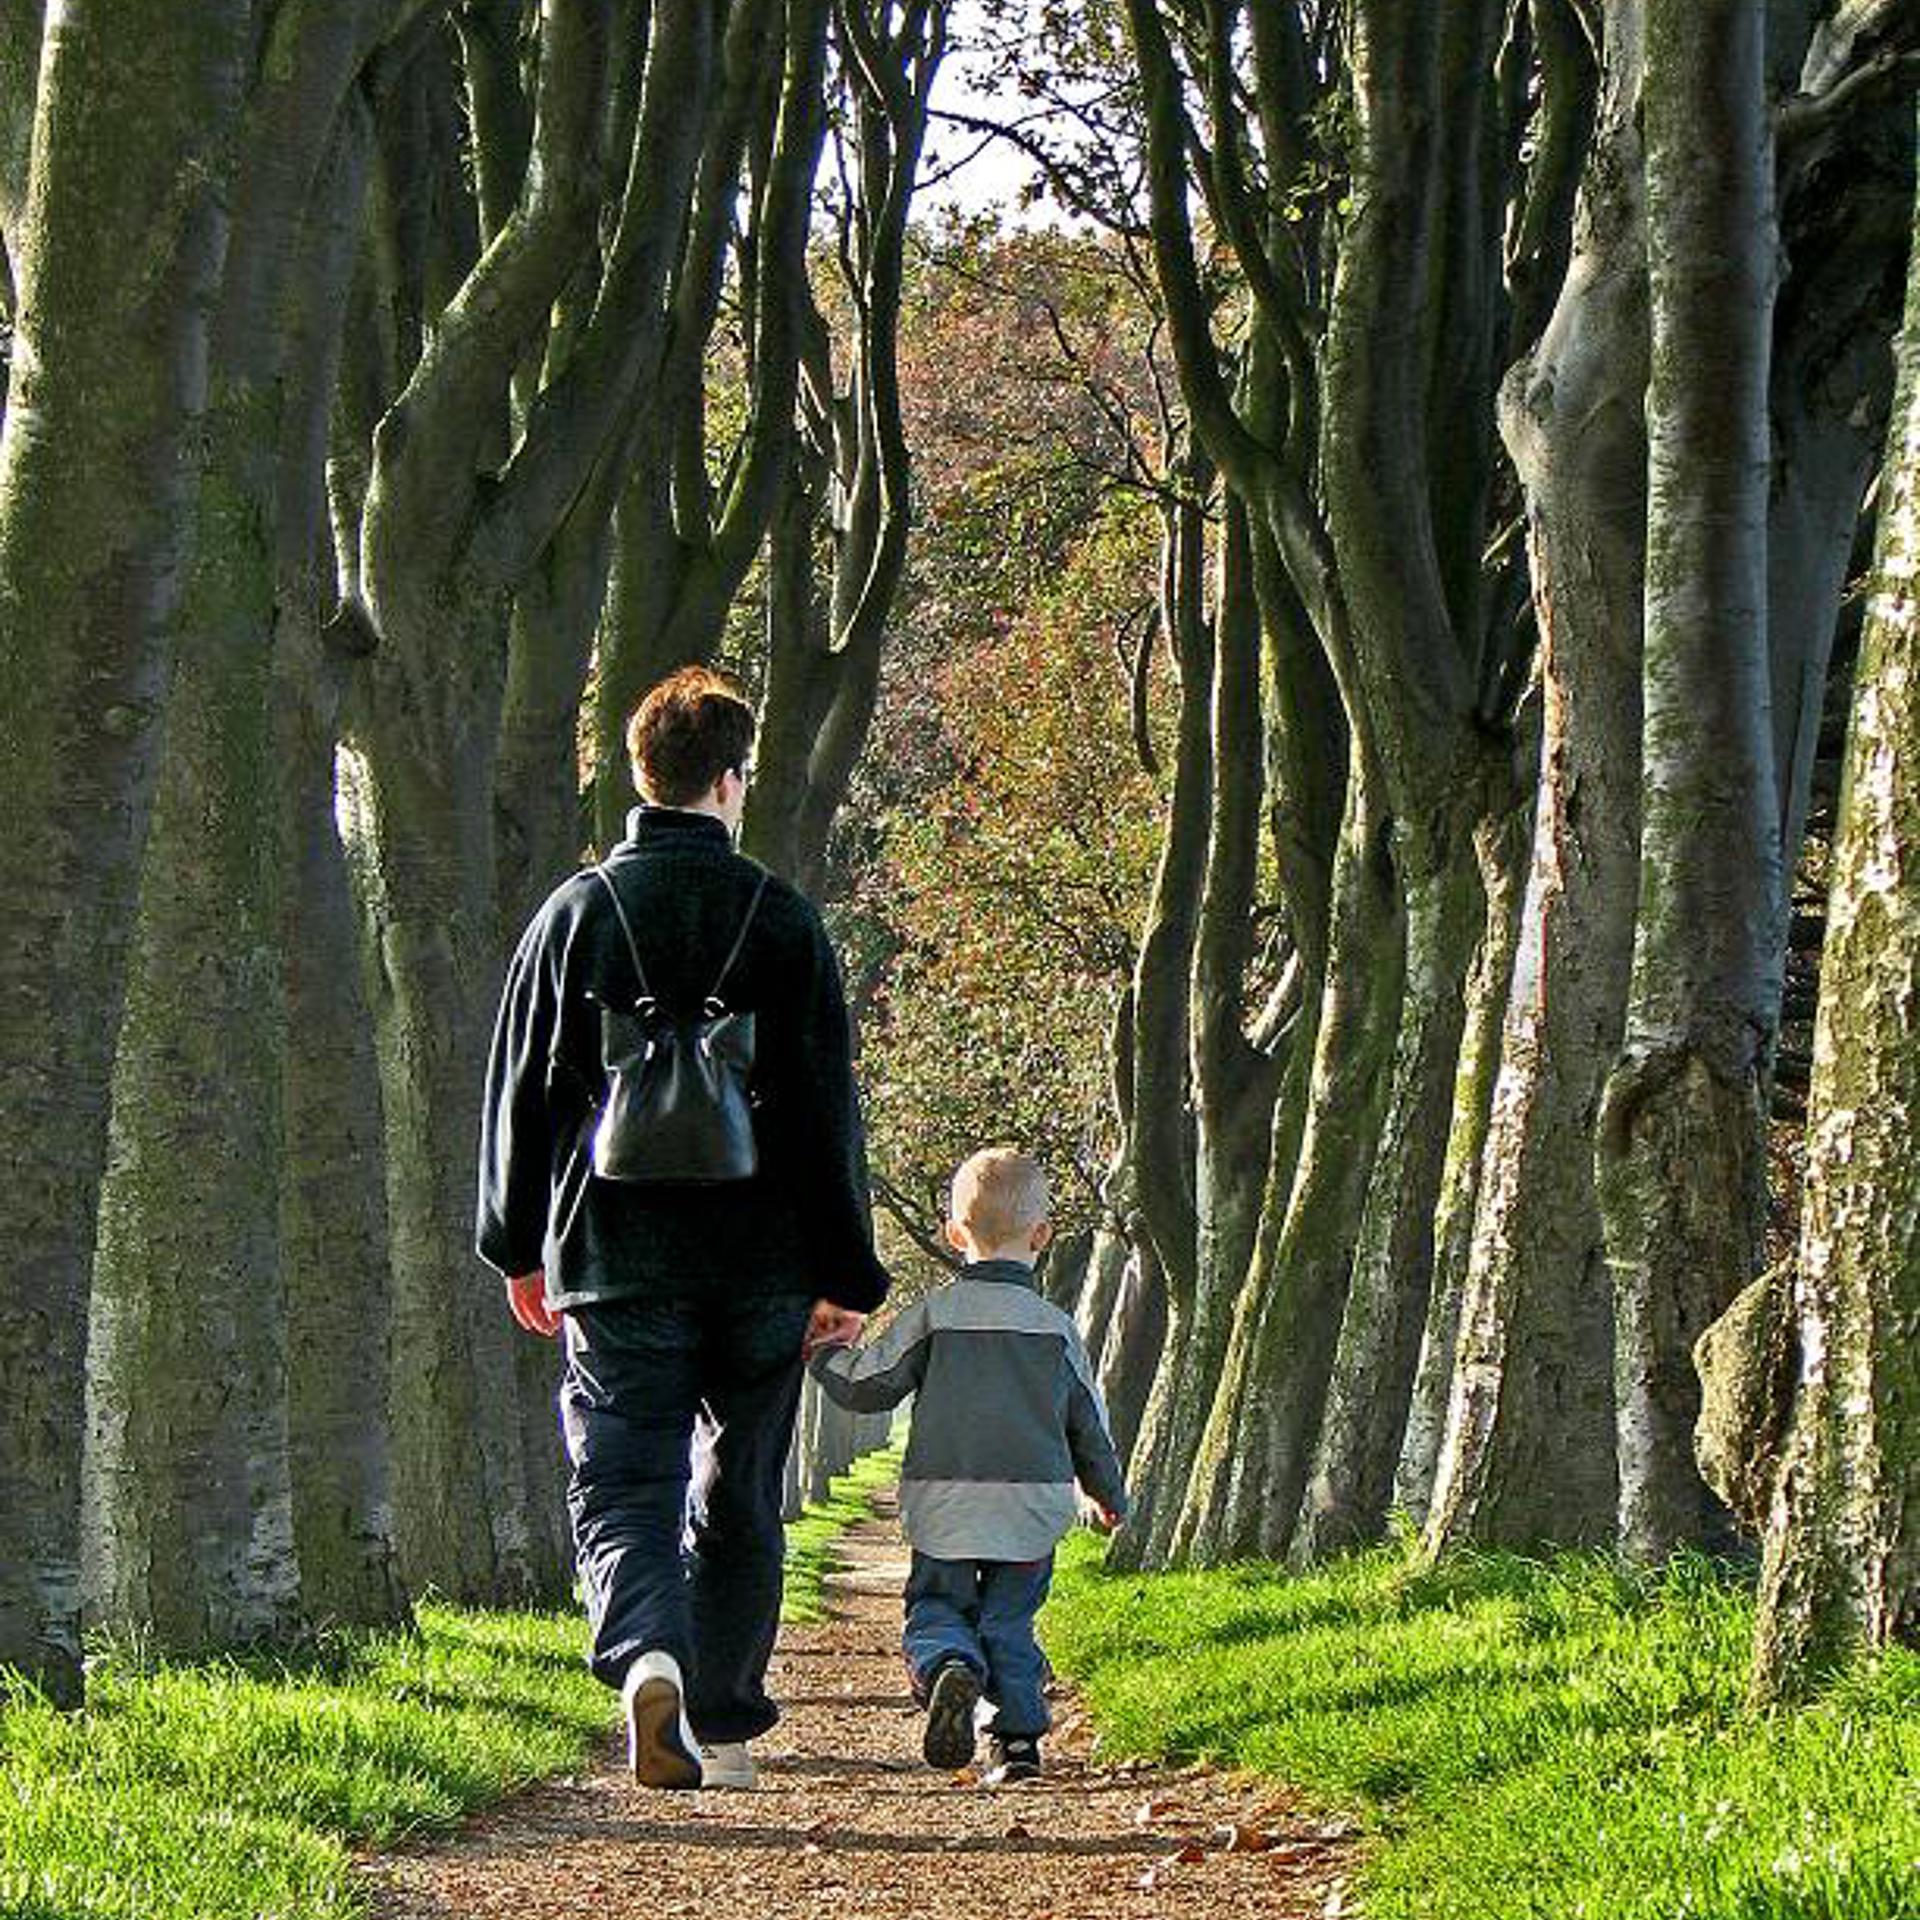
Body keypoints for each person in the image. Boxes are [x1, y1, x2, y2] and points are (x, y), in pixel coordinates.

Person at [477, 666, 886, 1792]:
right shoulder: (786, 920)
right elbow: (824, 1109)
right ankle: (727, 1718)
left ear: (639, 770)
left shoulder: (572, 918)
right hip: (765, 1265)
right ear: (731, 780)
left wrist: (517, 1242)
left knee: (623, 1479)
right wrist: (847, 1269)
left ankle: (649, 1656)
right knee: (742, 1486)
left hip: (614, 1257)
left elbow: (521, 1095)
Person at [808, 1147, 1127, 1784]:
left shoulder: (934, 1315)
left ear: (954, 1234)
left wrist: (824, 1353)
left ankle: (949, 1664)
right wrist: (1105, 1493)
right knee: (1010, 1616)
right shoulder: (1056, 1328)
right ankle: (1017, 1747)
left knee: (936, 1605)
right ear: (1042, 1235)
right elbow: (1086, 1424)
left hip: (944, 1497)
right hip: (1032, 1505)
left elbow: (869, 1385)